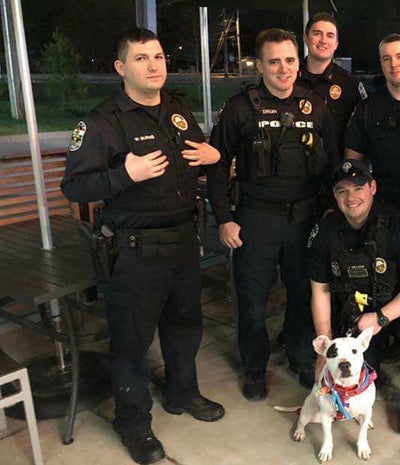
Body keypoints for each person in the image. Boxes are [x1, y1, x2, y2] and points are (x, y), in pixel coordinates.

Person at [61, 28, 225, 465]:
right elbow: (74, 186)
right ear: (121, 68)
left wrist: (213, 156)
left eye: (157, 56)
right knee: (131, 343)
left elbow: (195, 157)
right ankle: (133, 423)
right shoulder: (100, 122)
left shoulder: (177, 110)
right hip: (134, 252)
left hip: (183, 242)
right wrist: (124, 175)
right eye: (141, 58)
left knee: (184, 326)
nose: (153, 65)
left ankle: (182, 393)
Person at [206, 28, 337, 401]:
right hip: (256, 218)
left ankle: (299, 357)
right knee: (252, 300)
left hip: (305, 219)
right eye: (274, 61)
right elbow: (217, 166)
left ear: (299, 62)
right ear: (260, 65)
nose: (284, 69)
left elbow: (330, 167)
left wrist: (331, 216)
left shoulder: (316, 106)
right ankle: (253, 368)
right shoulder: (239, 108)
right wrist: (224, 218)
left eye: (290, 60)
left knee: (301, 295)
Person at [307, 158, 400, 435]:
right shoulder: (325, 230)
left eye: (358, 188)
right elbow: (319, 289)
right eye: (342, 191)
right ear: (335, 195)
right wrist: (325, 346)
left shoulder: (397, 224)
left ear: (373, 187)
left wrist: (380, 318)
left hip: (396, 307)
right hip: (355, 313)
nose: (351, 197)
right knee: (352, 374)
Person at [344, 33, 400, 212]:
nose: (394, 64)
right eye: (387, 59)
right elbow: (352, 164)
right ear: (381, 64)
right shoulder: (367, 109)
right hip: (385, 207)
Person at [297, 12, 367, 157]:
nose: (323, 40)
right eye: (317, 33)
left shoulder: (351, 84)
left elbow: (364, 131)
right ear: (305, 38)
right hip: (295, 171)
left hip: (336, 171)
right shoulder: (290, 78)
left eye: (330, 36)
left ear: (336, 44)